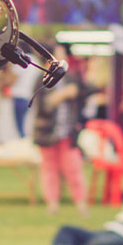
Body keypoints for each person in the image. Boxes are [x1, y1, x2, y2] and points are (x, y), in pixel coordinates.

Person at [32, 58, 88, 215]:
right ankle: (52, 204)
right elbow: (42, 105)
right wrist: (62, 95)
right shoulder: (41, 79)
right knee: (49, 169)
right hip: (48, 133)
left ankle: (81, 203)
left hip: (68, 132)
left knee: (73, 168)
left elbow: (85, 94)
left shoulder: (71, 77)